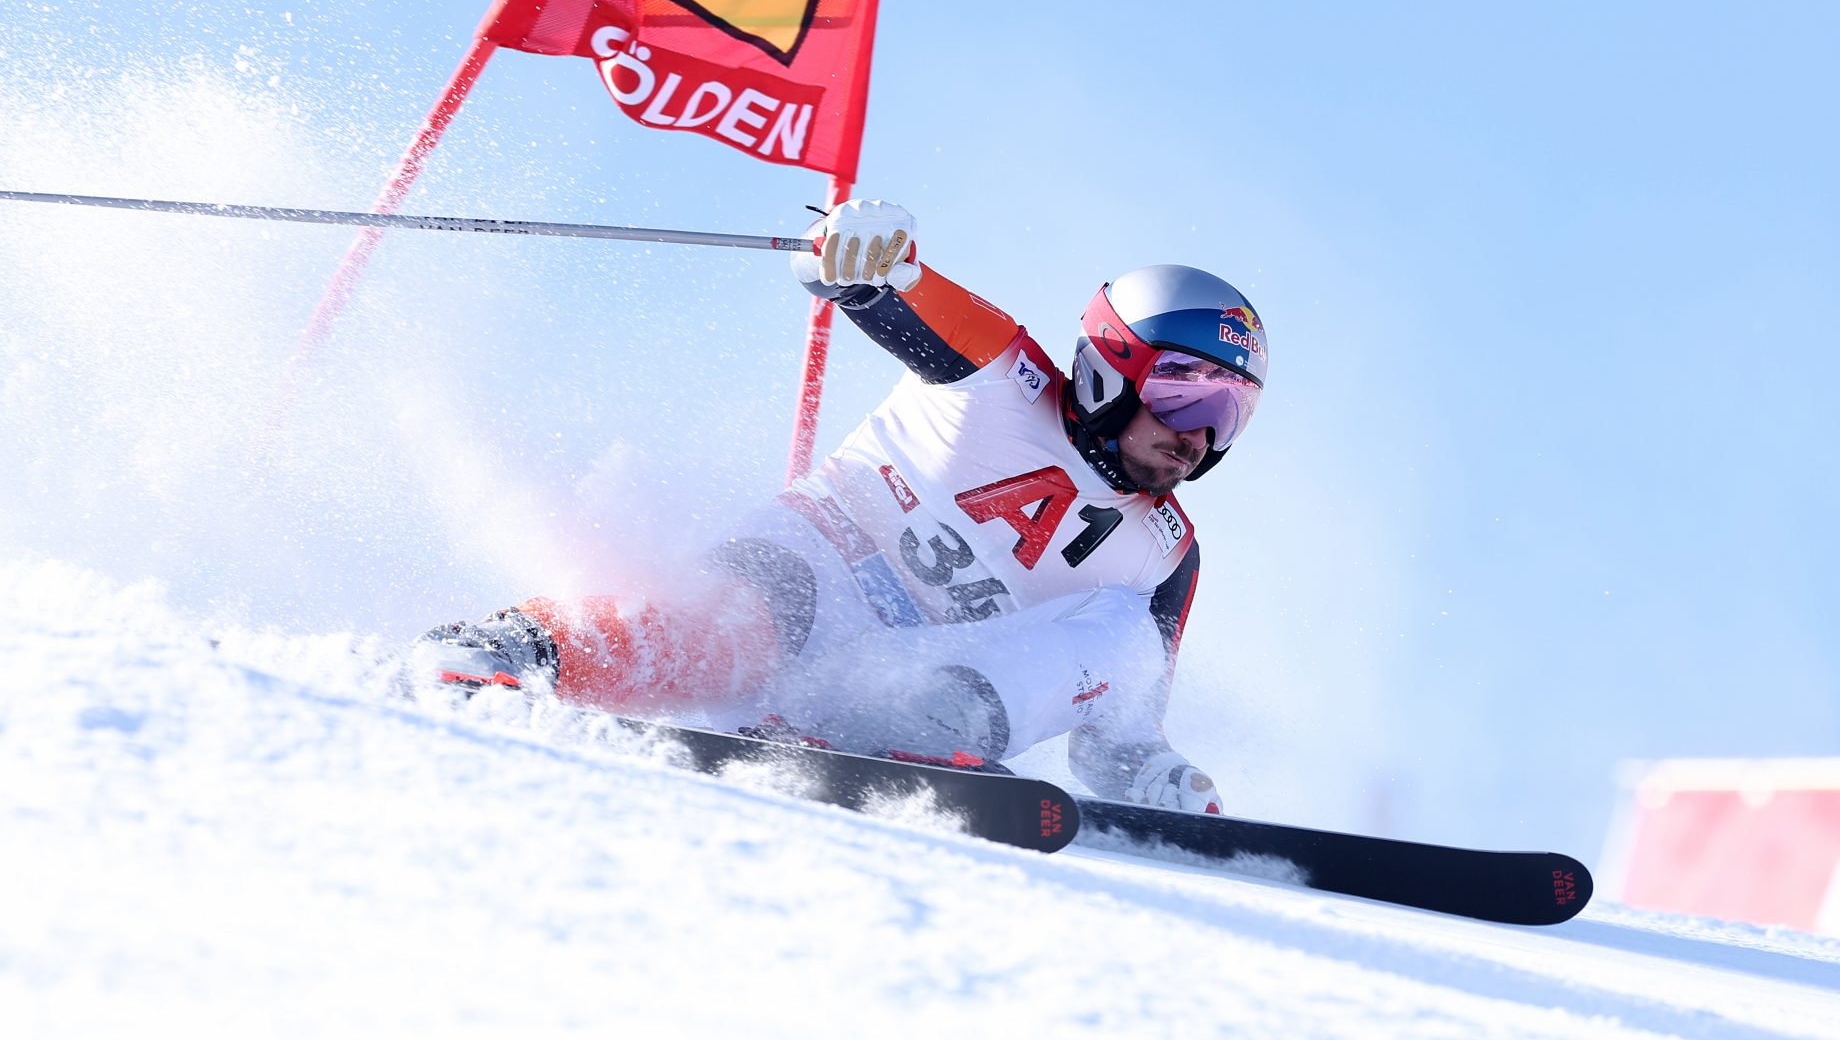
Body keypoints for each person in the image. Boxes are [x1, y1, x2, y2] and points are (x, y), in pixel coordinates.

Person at [413, 200, 1268, 814]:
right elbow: (867, 280)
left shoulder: (1165, 554)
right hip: (808, 582)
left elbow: (1117, 730)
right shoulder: (997, 378)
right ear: (1109, 365)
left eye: (1229, 412)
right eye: (1184, 396)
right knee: (727, 630)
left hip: (917, 690)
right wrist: (853, 247)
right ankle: (521, 646)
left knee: (1125, 633)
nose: (1200, 435)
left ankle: (920, 735)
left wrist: (1162, 782)